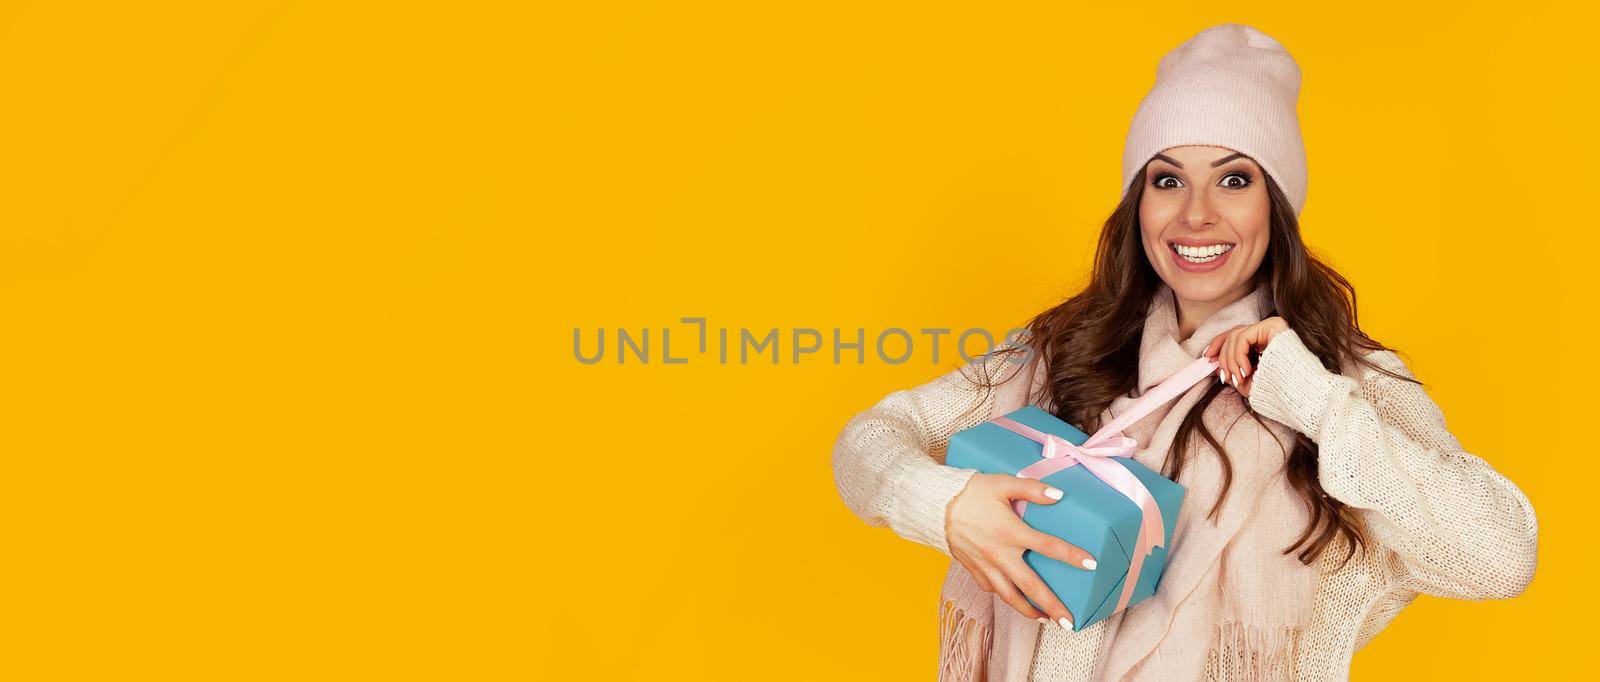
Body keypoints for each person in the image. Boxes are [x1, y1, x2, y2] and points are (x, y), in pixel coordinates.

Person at [830, 23, 1538, 681]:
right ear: (1138, 203)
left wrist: (1311, 397)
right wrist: (944, 503)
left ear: (1277, 205)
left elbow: (1499, 557)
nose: (1196, 213)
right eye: (1166, 179)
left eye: (1235, 178)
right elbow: (868, 442)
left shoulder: (1345, 384)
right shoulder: (1063, 355)